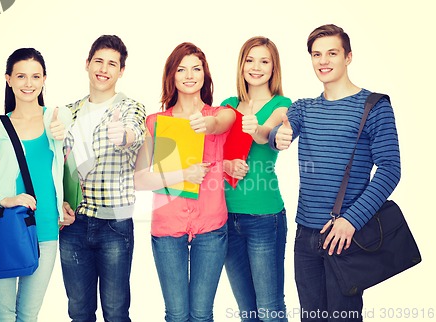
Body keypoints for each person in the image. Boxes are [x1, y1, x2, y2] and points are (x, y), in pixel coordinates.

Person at [269, 24, 401, 321]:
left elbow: (390, 169)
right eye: (317, 54)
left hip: (346, 237)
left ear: (348, 57)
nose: (323, 61)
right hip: (305, 236)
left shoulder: (374, 106)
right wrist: (276, 135)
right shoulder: (304, 108)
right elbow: (279, 133)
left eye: (332, 53)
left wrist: (351, 221)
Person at [0, 47, 72, 321]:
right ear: (8, 79)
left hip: (46, 229)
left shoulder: (58, 118)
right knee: (3, 314)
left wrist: (65, 203)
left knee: (28, 315)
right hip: (5, 228)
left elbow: (67, 163)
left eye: (35, 76)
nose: (28, 84)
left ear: (44, 79)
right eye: (21, 76)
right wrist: (5, 199)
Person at [134, 42, 235, 322]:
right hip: (167, 227)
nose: (190, 75)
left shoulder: (219, 116)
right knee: (177, 315)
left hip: (211, 227)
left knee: (202, 315)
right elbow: (140, 180)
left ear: (205, 74)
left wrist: (210, 126)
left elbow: (226, 122)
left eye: (196, 68)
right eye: (181, 69)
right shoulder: (155, 122)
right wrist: (183, 175)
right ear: (172, 76)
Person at [59, 35, 146, 322]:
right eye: (99, 61)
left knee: (116, 313)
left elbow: (134, 135)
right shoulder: (68, 113)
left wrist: (124, 135)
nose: (104, 69)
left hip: (115, 225)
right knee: (79, 313)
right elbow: (56, 165)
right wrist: (60, 204)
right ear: (87, 64)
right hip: (73, 225)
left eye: (112, 64)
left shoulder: (130, 108)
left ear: (121, 71)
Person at [221, 36, 291, 322]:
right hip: (225, 216)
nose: (256, 67)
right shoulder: (227, 105)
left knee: (270, 310)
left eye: (264, 61)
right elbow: (210, 156)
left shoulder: (283, 105)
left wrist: (256, 128)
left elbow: (268, 135)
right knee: (247, 312)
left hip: (265, 217)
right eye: (250, 60)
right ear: (241, 65)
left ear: (274, 68)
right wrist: (226, 164)